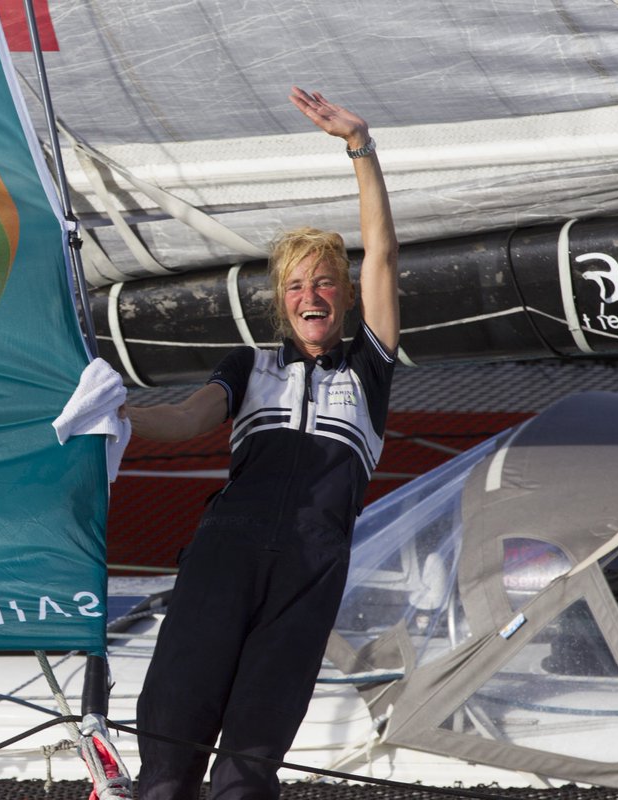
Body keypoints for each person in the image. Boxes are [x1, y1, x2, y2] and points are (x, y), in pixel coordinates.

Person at [128, 87, 400, 800]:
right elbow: (187, 420)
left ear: (343, 295)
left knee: (246, 773)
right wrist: (113, 413)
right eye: (295, 287)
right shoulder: (251, 366)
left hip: (307, 576)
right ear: (281, 303)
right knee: (167, 760)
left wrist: (360, 147)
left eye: (325, 284)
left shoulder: (368, 369)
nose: (311, 296)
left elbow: (385, 259)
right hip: (224, 558)